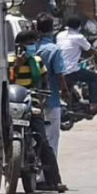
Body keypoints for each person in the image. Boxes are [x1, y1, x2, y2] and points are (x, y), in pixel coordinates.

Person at [10, 31, 66, 192]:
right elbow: (7, 80)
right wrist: (17, 66)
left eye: (32, 43)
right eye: (28, 43)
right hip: (13, 103)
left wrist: (42, 101)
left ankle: (54, 180)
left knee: (42, 139)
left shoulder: (37, 61)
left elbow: (44, 83)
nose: (30, 47)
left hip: (32, 102)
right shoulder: (10, 62)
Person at [33, 13, 71, 159]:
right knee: (52, 138)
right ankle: (49, 173)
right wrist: (66, 92)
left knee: (35, 137)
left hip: (32, 99)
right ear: (52, 29)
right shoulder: (54, 49)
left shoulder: (32, 48)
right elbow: (60, 75)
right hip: (51, 99)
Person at [56, 15, 97, 114]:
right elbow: (91, 50)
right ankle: (94, 102)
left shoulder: (60, 35)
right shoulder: (79, 37)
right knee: (93, 77)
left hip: (58, 69)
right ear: (79, 26)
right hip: (70, 70)